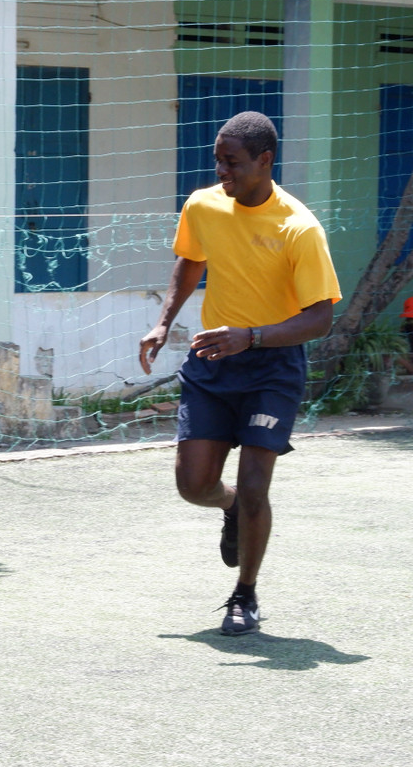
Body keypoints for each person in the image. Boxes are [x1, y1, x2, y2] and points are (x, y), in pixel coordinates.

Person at [138, 111, 341, 636]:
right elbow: (191, 259)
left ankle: (244, 594)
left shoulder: (299, 227)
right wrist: (163, 323)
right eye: (218, 161)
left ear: (264, 161)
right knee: (192, 485)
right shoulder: (203, 205)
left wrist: (250, 335)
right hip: (213, 362)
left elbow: (321, 318)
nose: (221, 171)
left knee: (256, 484)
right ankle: (227, 508)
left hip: (272, 367)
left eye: (232, 162)